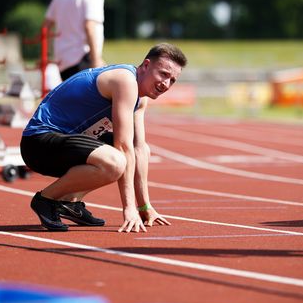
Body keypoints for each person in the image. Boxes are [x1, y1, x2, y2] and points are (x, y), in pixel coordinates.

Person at [20, 43, 188, 233]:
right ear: (147, 65)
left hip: (67, 143)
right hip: (38, 143)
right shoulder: (125, 81)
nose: (166, 84)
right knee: (116, 161)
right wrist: (129, 208)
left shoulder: (141, 99)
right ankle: (46, 200)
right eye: (163, 74)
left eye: (172, 80)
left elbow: (138, 148)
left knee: (141, 150)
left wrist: (144, 207)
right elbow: (123, 147)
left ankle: (69, 202)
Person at [44, 0, 110, 81]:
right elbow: (90, 26)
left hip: (62, 59)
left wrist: (48, 54)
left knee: (73, 97)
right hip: (82, 57)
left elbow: (46, 25)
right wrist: (95, 59)